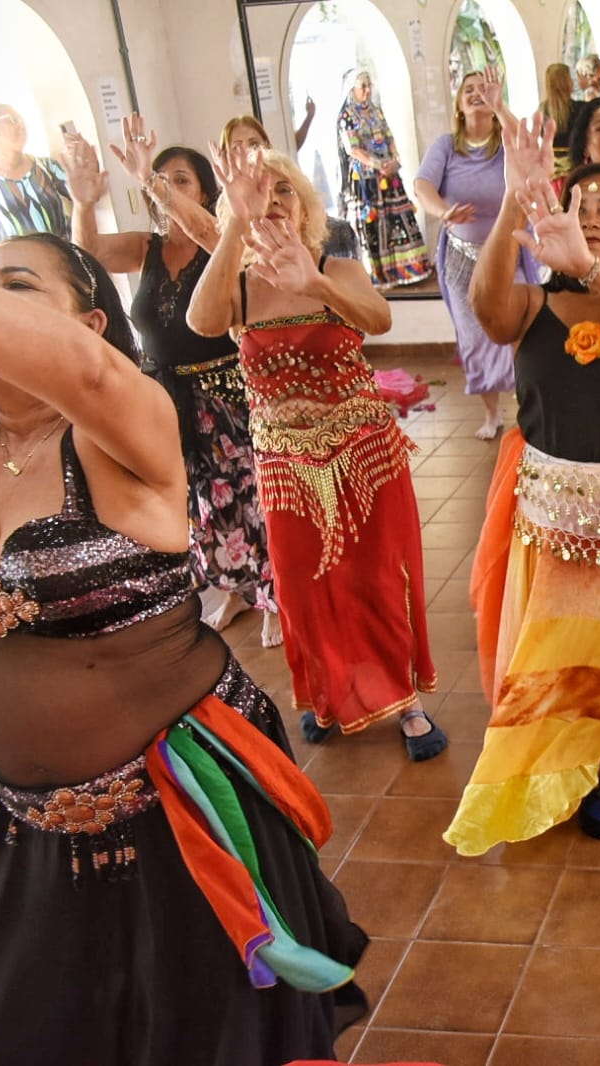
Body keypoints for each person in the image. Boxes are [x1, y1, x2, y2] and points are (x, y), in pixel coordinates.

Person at [0, 232, 366, 1063]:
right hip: (21, 823)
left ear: (90, 322)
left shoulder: (125, 425)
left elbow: (86, 377)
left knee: (198, 1034)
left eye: (15, 286)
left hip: (176, 811)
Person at [444, 112, 600, 850]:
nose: (590, 217)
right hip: (552, 528)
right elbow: (488, 310)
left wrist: (590, 270)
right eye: (577, 205)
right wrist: (512, 200)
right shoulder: (532, 307)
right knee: (576, 658)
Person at [186, 146, 445, 762]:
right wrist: (235, 226)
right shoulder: (238, 287)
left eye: (284, 191)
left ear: (304, 205)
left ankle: (405, 700)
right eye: (260, 193)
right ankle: (328, 693)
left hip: (366, 456)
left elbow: (378, 319)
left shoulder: (337, 266)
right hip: (285, 467)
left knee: (378, 578)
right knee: (306, 587)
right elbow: (200, 322)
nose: (273, 202)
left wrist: (318, 285)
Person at [62, 132, 281, 647]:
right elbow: (85, 257)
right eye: (161, 180)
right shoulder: (148, 247)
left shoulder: (220, 239)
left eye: (181, 180)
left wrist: (150, 179)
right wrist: (83, 203)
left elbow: (209, 230)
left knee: (249, 495)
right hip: (166, 395)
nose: (166, 188)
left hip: (223, 394)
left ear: (204, 191)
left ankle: (275, 596)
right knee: (200, 501)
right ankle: (233, 589)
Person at [413, 67, 517, 441]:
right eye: (468, 89)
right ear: (458, 104)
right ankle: (492, 413)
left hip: (508, 254)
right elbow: (422, 185)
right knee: (474, 336)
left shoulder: (505, 140)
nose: (476, 93)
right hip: (460, 257)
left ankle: (528, 404)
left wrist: (500, 107)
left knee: (516, 330)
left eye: (482, 88)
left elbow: (525, 149)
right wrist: (443, 212)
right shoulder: (446, 146)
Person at [336, 68, 434, 288]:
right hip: (365, 181)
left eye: (369, 85)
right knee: (373, 224)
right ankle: (379, 275)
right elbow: (354, 150)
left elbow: (389, 137)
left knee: (396, 219)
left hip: (388, 177)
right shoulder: (347, 116)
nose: (367, 90)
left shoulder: (376, 111)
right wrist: (379, 165)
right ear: (352, 89)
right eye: (363, 86)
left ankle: (405, 269)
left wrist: (394, 160)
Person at [220, 114, 360, 260]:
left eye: (254, 145)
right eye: (236, 148)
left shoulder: (339, 239)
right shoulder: (231, 244)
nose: (248, 153)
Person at [0, 105, 71, 247]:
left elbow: (85, 196)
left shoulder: (48, 167)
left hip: (62, 256)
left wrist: (82, 164)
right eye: (13, 120)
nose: (22, 125)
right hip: (14, 260)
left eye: (22, 120)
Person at [541, 62, 585, 176]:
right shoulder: (580, 109)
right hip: (576, 168)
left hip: (552, 170)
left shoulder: (542, 110)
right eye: (570, 78)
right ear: (565, 82)